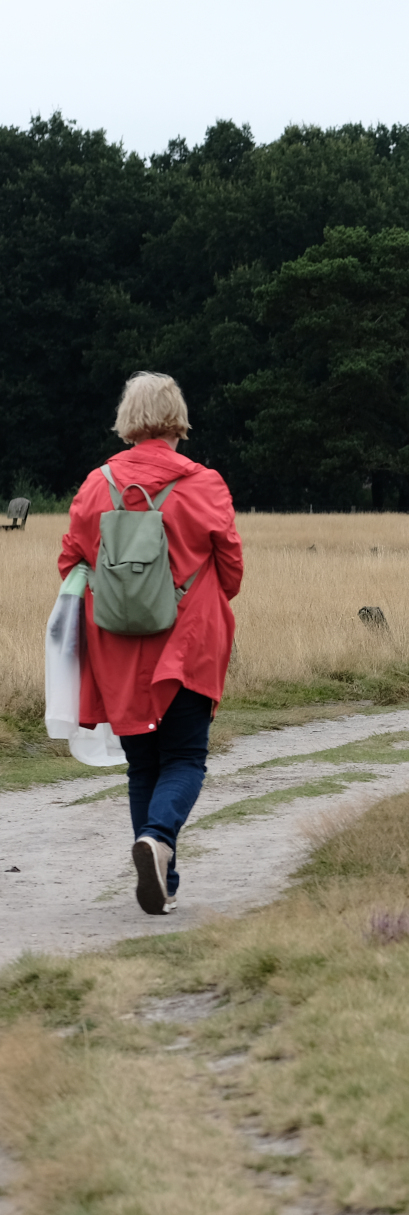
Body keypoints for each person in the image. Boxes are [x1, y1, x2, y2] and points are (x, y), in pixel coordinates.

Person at [58, 371, 243, 915]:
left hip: (116, 645)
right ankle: (158, 841)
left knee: (143, 764)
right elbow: (231, 570)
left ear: (127, 420)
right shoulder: (204, 483)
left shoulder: (96, 484)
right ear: (177, 418)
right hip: (187, 641)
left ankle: (164, 875)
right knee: (185, 757)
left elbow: (71, 561)